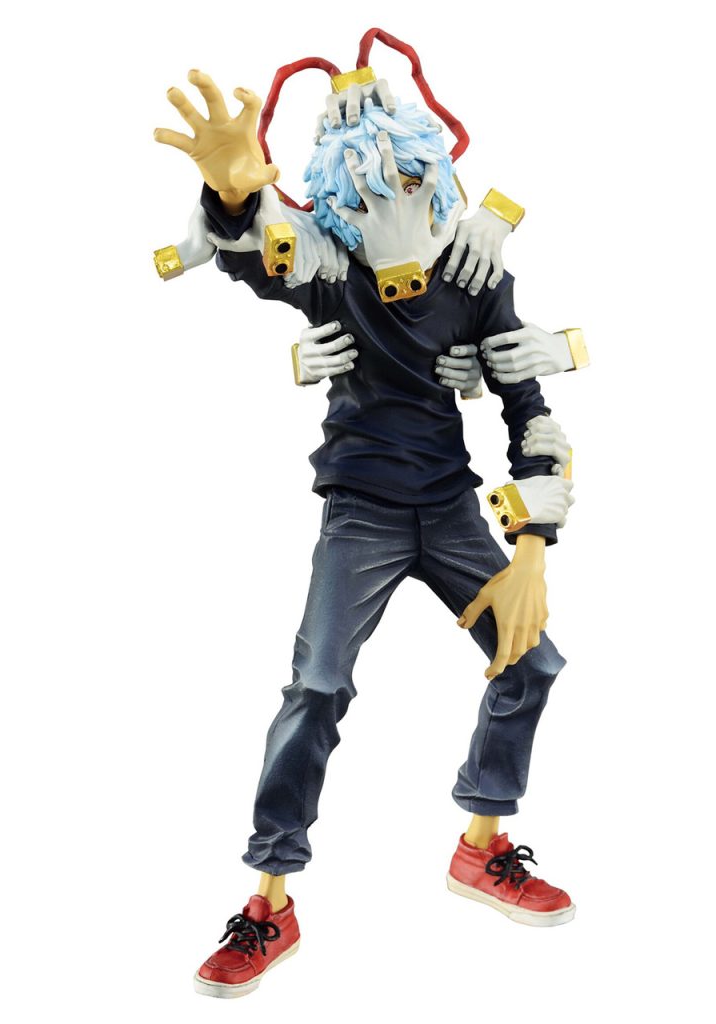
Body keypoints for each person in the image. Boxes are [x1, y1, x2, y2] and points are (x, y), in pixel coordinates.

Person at [154, 70, 577, 999]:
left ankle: (482, 845)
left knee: (533, 661)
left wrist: (533, 553)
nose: (396, 204)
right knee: (316, 685)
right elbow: (254, 260)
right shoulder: (333, 276)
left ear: (439, 178)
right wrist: (232, 195)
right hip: (362, 511)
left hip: (451, 505)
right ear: (336, 200)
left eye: (412, 182)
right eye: (367, 190)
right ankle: (270, 900)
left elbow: (529, 406)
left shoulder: (476, 277)